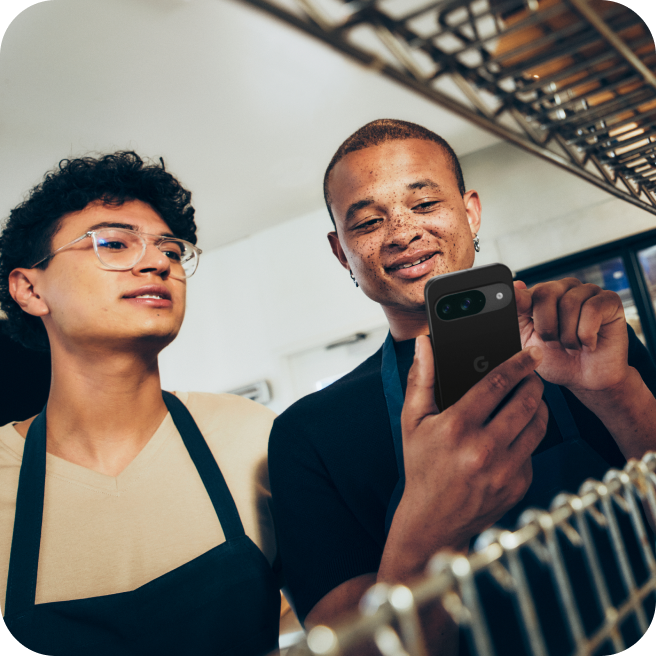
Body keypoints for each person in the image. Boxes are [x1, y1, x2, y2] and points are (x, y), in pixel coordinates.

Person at [268, 119, 656, 653]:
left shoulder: (588, 341)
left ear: (469, 211)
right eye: (368, 223)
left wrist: (616, 394)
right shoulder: (305, 436)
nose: (402, 232)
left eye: (424, 205)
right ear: (342, 253)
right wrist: (430, 522)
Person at [0, 152, 281, 655]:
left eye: (171, 251)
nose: (156, 263)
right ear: (28, 288)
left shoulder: (254, 438)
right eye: (113, 243)